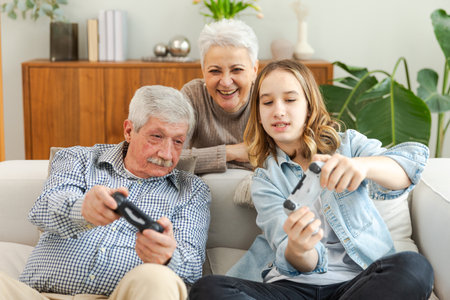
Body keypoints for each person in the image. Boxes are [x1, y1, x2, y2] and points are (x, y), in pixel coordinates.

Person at [189, 60, 434, 299]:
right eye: (267, 102)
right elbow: (298, 261)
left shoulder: (348, 145)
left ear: (309, 106)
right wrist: (299, 246)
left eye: (290, 99)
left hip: (357, 284)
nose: (278, 110)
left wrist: (361, 166)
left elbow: (409, 166)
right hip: (291, 288)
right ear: (260, 116)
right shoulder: (266, 179)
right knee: (208, 289)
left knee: (415, 267)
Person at [0, 85, 211, 300]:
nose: (167, 154)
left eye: (177, 142)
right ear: (129, 131)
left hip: (120, 297)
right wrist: (82, 210)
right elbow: (42, 211)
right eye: (156, 136)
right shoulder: (78, 159)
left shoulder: (191, 190)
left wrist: (168, 257)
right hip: (38, 296)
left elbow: (192, 266)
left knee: (159, 278)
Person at [181, 18, 259, 174]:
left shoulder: (267, 95)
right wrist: (229, 153)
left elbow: (283, 156)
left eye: (237, 69)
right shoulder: (192, 95)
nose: (226, 82)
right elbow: (168, 158)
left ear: (254, 70)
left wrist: (201, 159)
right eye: (215, 71)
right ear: (203, 71)